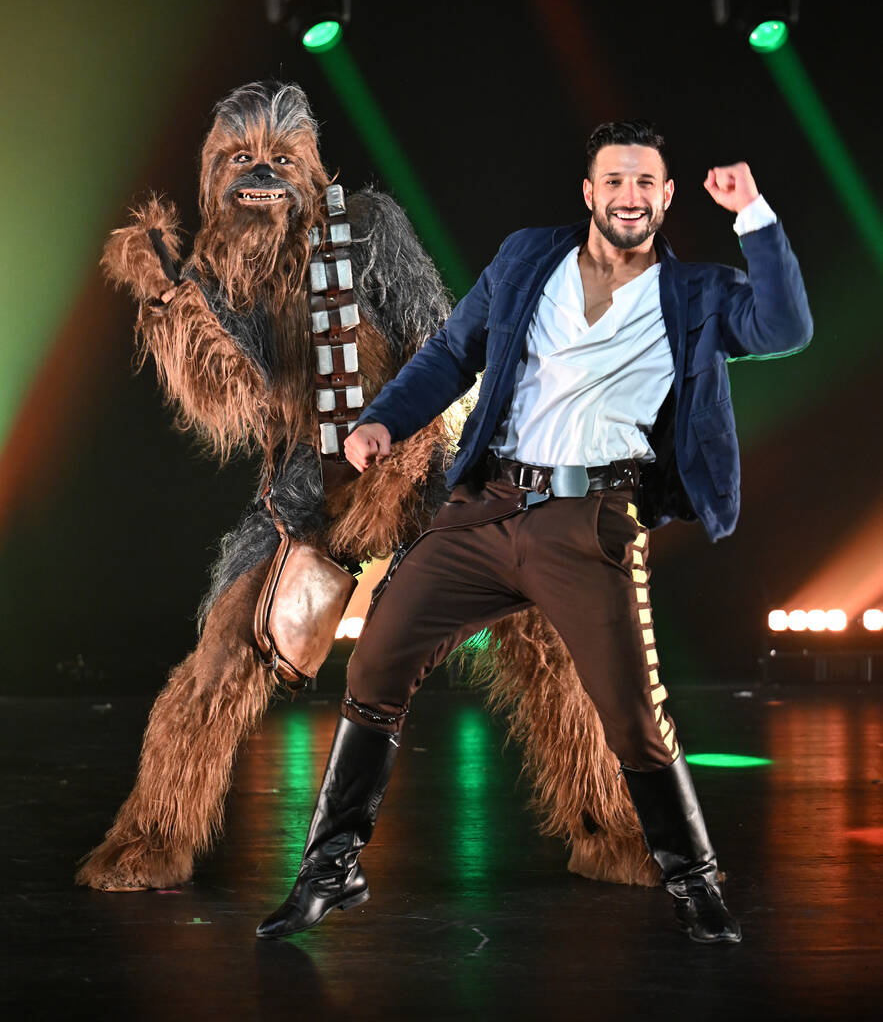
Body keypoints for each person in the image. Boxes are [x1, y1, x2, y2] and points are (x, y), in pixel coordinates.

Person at [256, 120, 812, 944]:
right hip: (483, 511)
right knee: (374, 665)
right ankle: (329, 871)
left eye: (644, 183)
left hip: (588, 525)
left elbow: (784, 329)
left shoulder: (695, 294)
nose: (628, 196)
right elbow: (454, 353)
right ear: (589, 192)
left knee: (632, 717)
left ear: (665, 197)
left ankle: (693, 881)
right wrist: (382, 421)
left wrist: (752, 215)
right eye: (613, 181)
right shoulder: (526, 259)